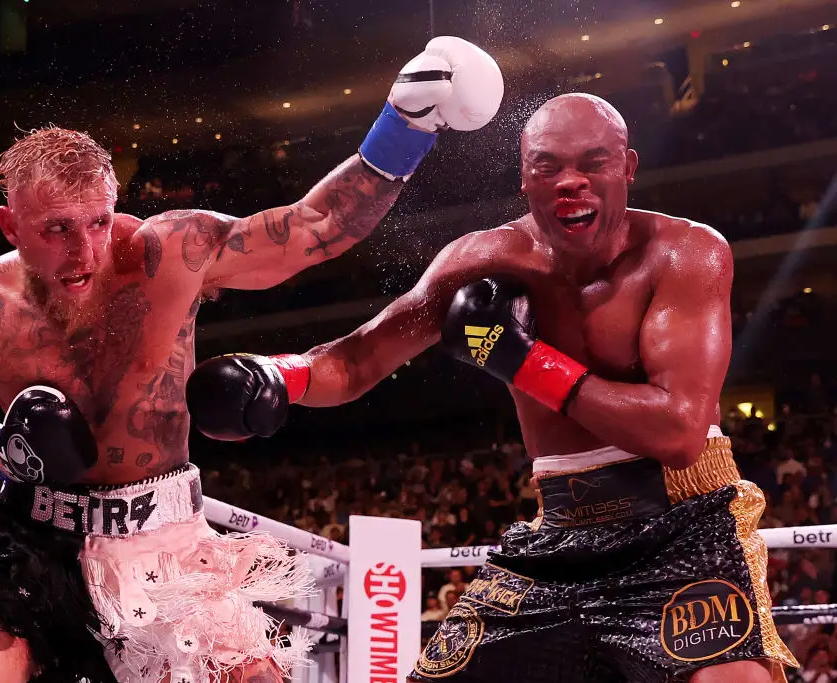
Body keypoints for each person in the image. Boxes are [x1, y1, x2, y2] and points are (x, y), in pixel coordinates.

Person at [0, 36, 503, 683]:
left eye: (98, 220)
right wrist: (2, 453)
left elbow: (311, 230)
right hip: (31, 536)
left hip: (162, 543)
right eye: (57, 228)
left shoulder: (170, 253)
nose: (85, 250)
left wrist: (407, 124)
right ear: (10, 226)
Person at [187, 93, 798, 682]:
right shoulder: (483, 259)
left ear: (628, 168)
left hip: (682, 520)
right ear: (524, 180)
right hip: (561, 527)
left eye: (593, 163)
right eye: (548, 167)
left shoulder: (685, 253)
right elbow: (359, 359)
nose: (570, 182)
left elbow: (677, 431)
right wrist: (276, 376)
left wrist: (524, 362)